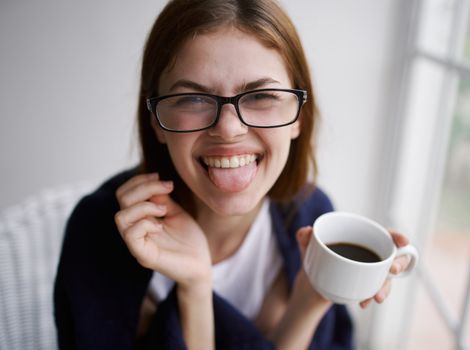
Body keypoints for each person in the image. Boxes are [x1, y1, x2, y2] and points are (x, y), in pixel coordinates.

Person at [54, 0, 412, 349]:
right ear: (156, 121)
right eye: (193, 99)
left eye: (261, 96)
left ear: (300, 116)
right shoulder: (99, 230)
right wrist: (194, 285)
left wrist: (311, 299)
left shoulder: (312, 214)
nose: (228, 130)